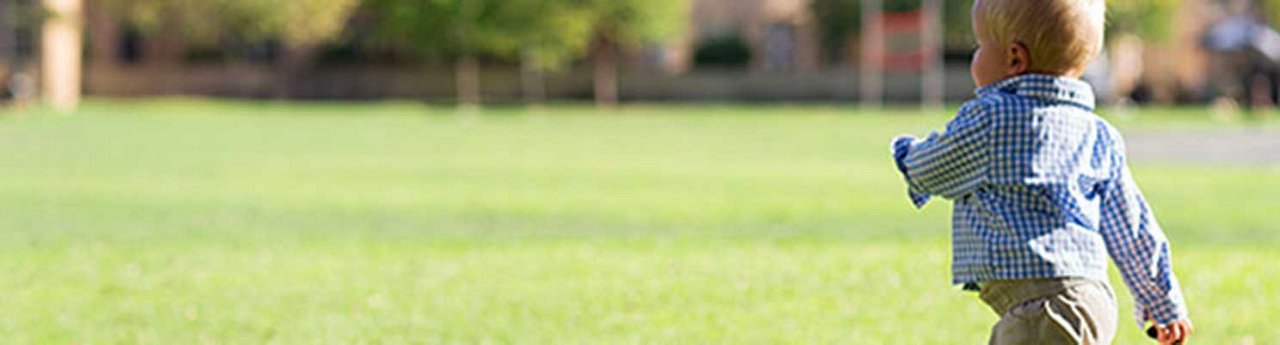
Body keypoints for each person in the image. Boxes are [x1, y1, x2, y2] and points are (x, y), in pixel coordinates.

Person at [889, 0, 1194, 343]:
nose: (975, 56)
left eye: (980, 46)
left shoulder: (991, 118)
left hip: (1043, 306)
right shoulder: (1098, 134)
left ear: (1014, 58)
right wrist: (1162, 301)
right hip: (1089, 298)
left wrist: (906, 153)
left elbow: (933, 168)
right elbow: (1132, 227)